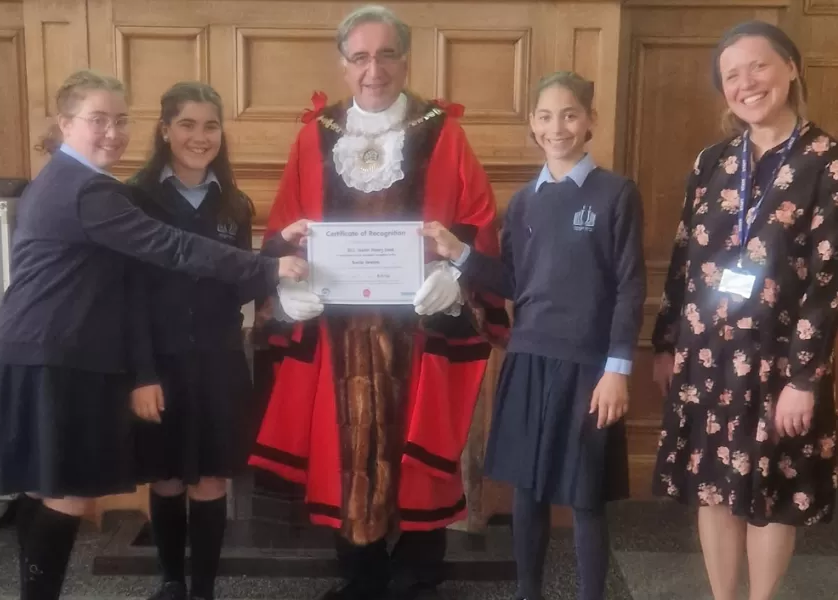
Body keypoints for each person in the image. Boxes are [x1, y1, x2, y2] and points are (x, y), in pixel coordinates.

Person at [0, 69, 305, 600]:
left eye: (119, 119)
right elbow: (173, 249)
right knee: (61, 497)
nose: (111, 131)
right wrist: (269, 267)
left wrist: (263, 264)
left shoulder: (67, 180)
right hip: (55, 354)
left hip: (49, 350)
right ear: (65, 123)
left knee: (50, 495)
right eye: (97, 119)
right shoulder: (94, 190)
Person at [246, 5, 508, 600]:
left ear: (405, 60)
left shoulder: (443, 131)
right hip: (337, 331)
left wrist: (455, 276)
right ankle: (360, 578)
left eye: (386, 54)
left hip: (419, 324)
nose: (374, 69)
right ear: (343, 65)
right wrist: (289, 283)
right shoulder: (316, 133)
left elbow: (477, 222)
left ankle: (419, 576)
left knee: (419, 450)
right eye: (360, 56)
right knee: (343, 448)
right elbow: (286, 223)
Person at [422, 71, 646, 600]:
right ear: (532, 125)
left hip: (590, 367)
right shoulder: (523, 202)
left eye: (569, 114)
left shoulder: (617, 194)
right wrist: (461, 254)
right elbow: (514, 284)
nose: (557, 126)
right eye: (545, 116)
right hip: (527, 358)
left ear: (590, 120)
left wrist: (618, 369)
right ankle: (529, 592)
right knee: (528, 490)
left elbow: (630, 288)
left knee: (585, 496)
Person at [651, 21, 838, 600]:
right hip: (708, 358)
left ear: (790, 69)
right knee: (712, 488)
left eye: (758, 66)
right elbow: (684, 257)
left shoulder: (826, 163)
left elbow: (830, 282)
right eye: (731, 74)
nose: (747, 83)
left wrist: (805, 379)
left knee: (772, 496)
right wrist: (664, 343)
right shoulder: (712, 161)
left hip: (780, 365)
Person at [126, 82, 308, 600]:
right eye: (187, 124)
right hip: (158, 363)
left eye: (210, 125)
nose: (199, 137)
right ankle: (171, 583)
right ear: (164, 130)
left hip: (220, 361)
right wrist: (141, 372)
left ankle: (202, 589)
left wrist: (277, 251)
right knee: (164, 479)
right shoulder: (135, 199)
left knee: (211, 480)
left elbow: (243, 285)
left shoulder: (233, 203)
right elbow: (130, 294)